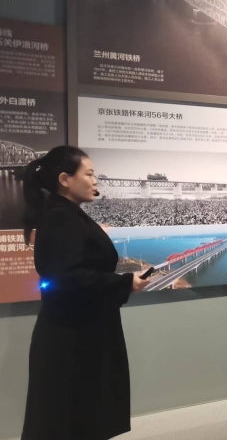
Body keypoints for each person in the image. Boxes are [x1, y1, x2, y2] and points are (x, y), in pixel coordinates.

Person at [21, 146, 151, 440]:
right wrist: (124, 283)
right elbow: (66, 279)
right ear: (65, 179)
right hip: (74, 337)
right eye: (89, 174)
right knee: (73, 419)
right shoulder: (61, 218)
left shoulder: (66, 215)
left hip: (79, 330)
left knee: (77, 418)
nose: (95, 181)